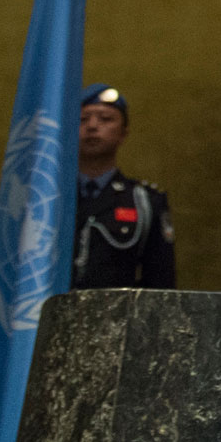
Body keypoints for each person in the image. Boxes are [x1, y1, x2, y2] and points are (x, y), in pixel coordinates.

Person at [73, 83, 176, 289]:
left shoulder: (144, 200)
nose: (92, 126)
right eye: (83, 119)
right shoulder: (48, 197)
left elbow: (160, 282)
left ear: (123, 133)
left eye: (105, 119)